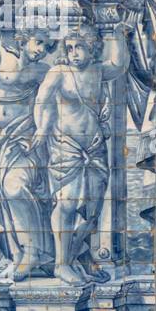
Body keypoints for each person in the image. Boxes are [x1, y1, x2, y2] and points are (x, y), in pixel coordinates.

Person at [31, 23, 130, 285]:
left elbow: (119, 65)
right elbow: (42, 99)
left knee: (92, 211)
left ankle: (69, 258)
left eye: (79, 48)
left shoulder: (97, 71)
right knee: (67, 204)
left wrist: (120, 34)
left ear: (92, 48)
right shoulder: (59, 72)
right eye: (70, 48)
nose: (74, 53)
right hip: (67, 147)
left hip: (95, 149)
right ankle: (61, 264)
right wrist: (42, 127)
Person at [0, 24, 55, 279]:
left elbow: (57, 101)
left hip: (26, 139)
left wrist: (42, 131)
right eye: (38, 41)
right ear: (22, 40)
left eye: (46, 45)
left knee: (14, 188)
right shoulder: (3, 59)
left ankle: (34, 252)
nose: (41, 49)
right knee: (3, 193)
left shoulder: (44, 71)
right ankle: (19, 252)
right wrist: (0, 17)